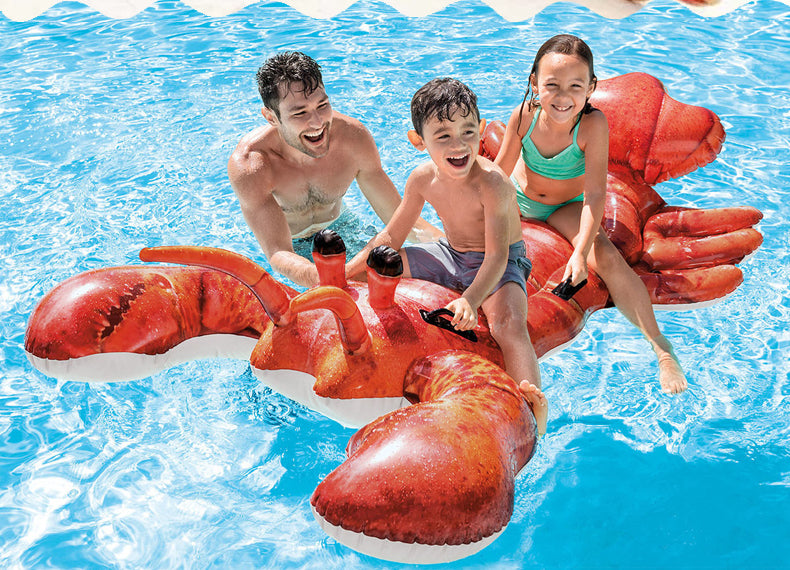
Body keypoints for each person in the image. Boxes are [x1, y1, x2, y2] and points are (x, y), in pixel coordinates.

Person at [346, 77, 548, 435]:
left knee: (509, 325)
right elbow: (391, 237)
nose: (459, 145)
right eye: (443, 136)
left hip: (501, 262)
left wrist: (471, 300)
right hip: (450, 254)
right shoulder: (421, 179)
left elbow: (497, 255)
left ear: (481, 130)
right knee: (382, 266)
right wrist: (345, 274)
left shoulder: (493, 183)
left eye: (468, 132)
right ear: (418, 140)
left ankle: (532, 410)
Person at [494, 34, 688, 394]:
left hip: (564, 207)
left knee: (610, 260)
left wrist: (581, 253)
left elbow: (596, 193)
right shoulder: (524, 116)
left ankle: (662, 349)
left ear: (591, 88)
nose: (563, 96)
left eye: (575, 86)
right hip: (519, 201)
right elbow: (500, 174)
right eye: (552, 85)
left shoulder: (592, 125)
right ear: (534, 83)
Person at [228, 51, 441, 288]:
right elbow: (278, 251)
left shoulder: (353, 139)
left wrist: (453, 249)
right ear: (271, 117)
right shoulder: (252, 165)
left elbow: (402, 221)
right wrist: (326, 279)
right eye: (300, 113)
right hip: (292, 252)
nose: (318, 122)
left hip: (342, 228)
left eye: (322, 105)